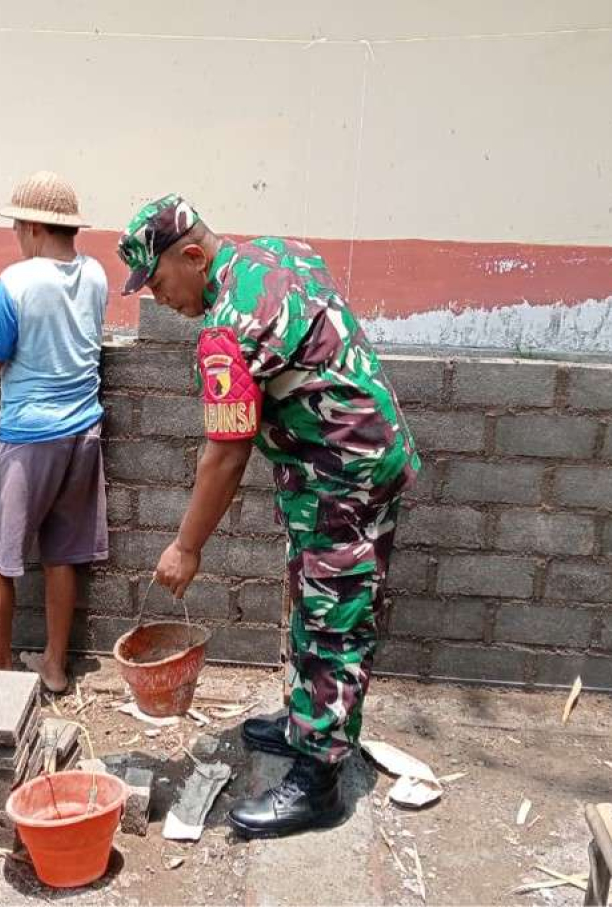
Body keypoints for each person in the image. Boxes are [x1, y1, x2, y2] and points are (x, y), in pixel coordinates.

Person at [117, 195, 420, 839]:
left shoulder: (227, 330)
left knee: (332, 615)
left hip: (345, 476)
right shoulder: (276, 252)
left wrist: (186, 547)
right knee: (310, 599)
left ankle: (319, 780)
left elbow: (223, 457)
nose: (158, 298)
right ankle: (305, 720)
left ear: (193, 256)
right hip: (346, 465)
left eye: (160, 281)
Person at [0, 172, 108, 694]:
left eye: (16, 225)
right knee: (61, 555)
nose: (15, 234)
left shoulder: (16, 280)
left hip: (27, 437)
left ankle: (0, 676)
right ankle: (55, 668)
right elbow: (52, 328)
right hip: (83, 432)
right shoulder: (96, 274)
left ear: (34, 227)